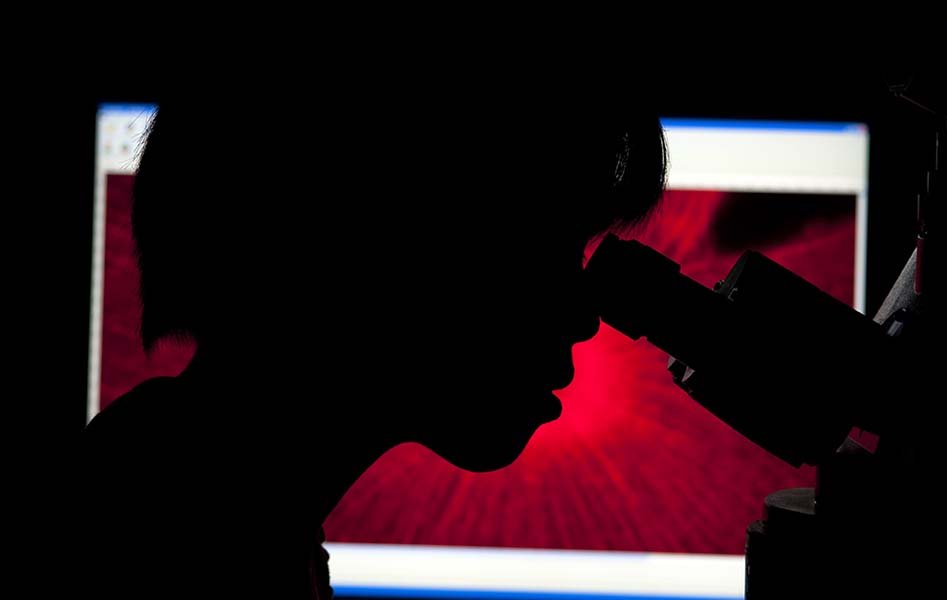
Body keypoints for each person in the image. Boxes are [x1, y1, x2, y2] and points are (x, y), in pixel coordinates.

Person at [78, 77, 667, 598]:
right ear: (382, 229)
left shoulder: (204, 497)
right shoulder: (171, 542)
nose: (582, 314)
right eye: (547, 247)